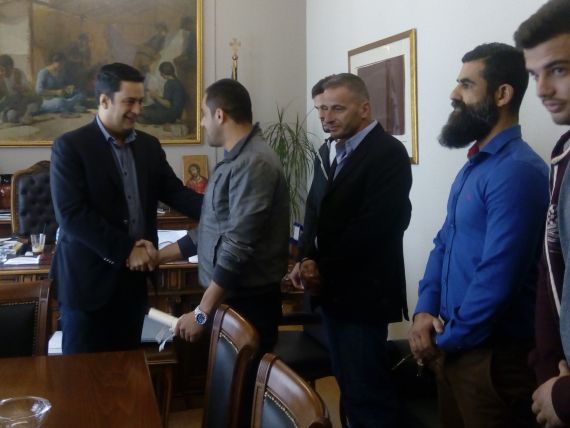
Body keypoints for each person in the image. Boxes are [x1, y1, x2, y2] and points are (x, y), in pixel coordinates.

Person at [408, 43, 549, 428]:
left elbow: (497, 280)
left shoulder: (518, 172)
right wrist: (424, 311)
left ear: (502, 94)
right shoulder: (474, 166)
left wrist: (444, 341)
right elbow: (444, 242)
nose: (454, 94)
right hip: (456, 350)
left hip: (492, 363)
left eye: (467, 85)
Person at [50, 62, 203, 354]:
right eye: (129, 101)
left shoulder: (149, 146)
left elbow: (176, 193)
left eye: (141, 102)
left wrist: (222, 212)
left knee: (129, 371)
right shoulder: (70, 147)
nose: (138, 110)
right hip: (87, 287)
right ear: (104, 100)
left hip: (133, 287)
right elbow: (72, 215)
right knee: (84, 376)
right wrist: (126, 250)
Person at [295, 73, 412, 427]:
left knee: (367, 394)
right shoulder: (326, 150)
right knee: (348, 384)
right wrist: (304, 258)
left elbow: (375, 228)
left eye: (337, 109)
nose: (326, 118)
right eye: (321, 109)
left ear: (364, 109)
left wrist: (321, 267)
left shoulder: (388, 153)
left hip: (364, 295)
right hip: (330, 291)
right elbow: (313, 212)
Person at [157, 78, 289, 354]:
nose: (202, 123)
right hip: (230, 300)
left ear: (220, 115)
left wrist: (201, 314)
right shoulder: (235, 159)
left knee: (243, 381)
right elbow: (211, 231)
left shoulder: (254, 163)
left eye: (203, 114)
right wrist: (157, 257)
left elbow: (237, 244)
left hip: (249, 304)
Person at [515, 1, 570, 426]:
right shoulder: (563, 155)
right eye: (535, 75)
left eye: (559, 70)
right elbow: (553, 273)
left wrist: (566, 397)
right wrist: (549, 372)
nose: (541, 90)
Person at [0, 55, 41, 125]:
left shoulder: (18, 73)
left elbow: (28, 89)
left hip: (21, 101)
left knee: (38, 99)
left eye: (6, 69)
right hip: (9, 106)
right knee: (11, 116)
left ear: (12, 67)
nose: (3, 72)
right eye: (1, 70)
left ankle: (25, 115)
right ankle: (21, 117)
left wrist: (19, 88)